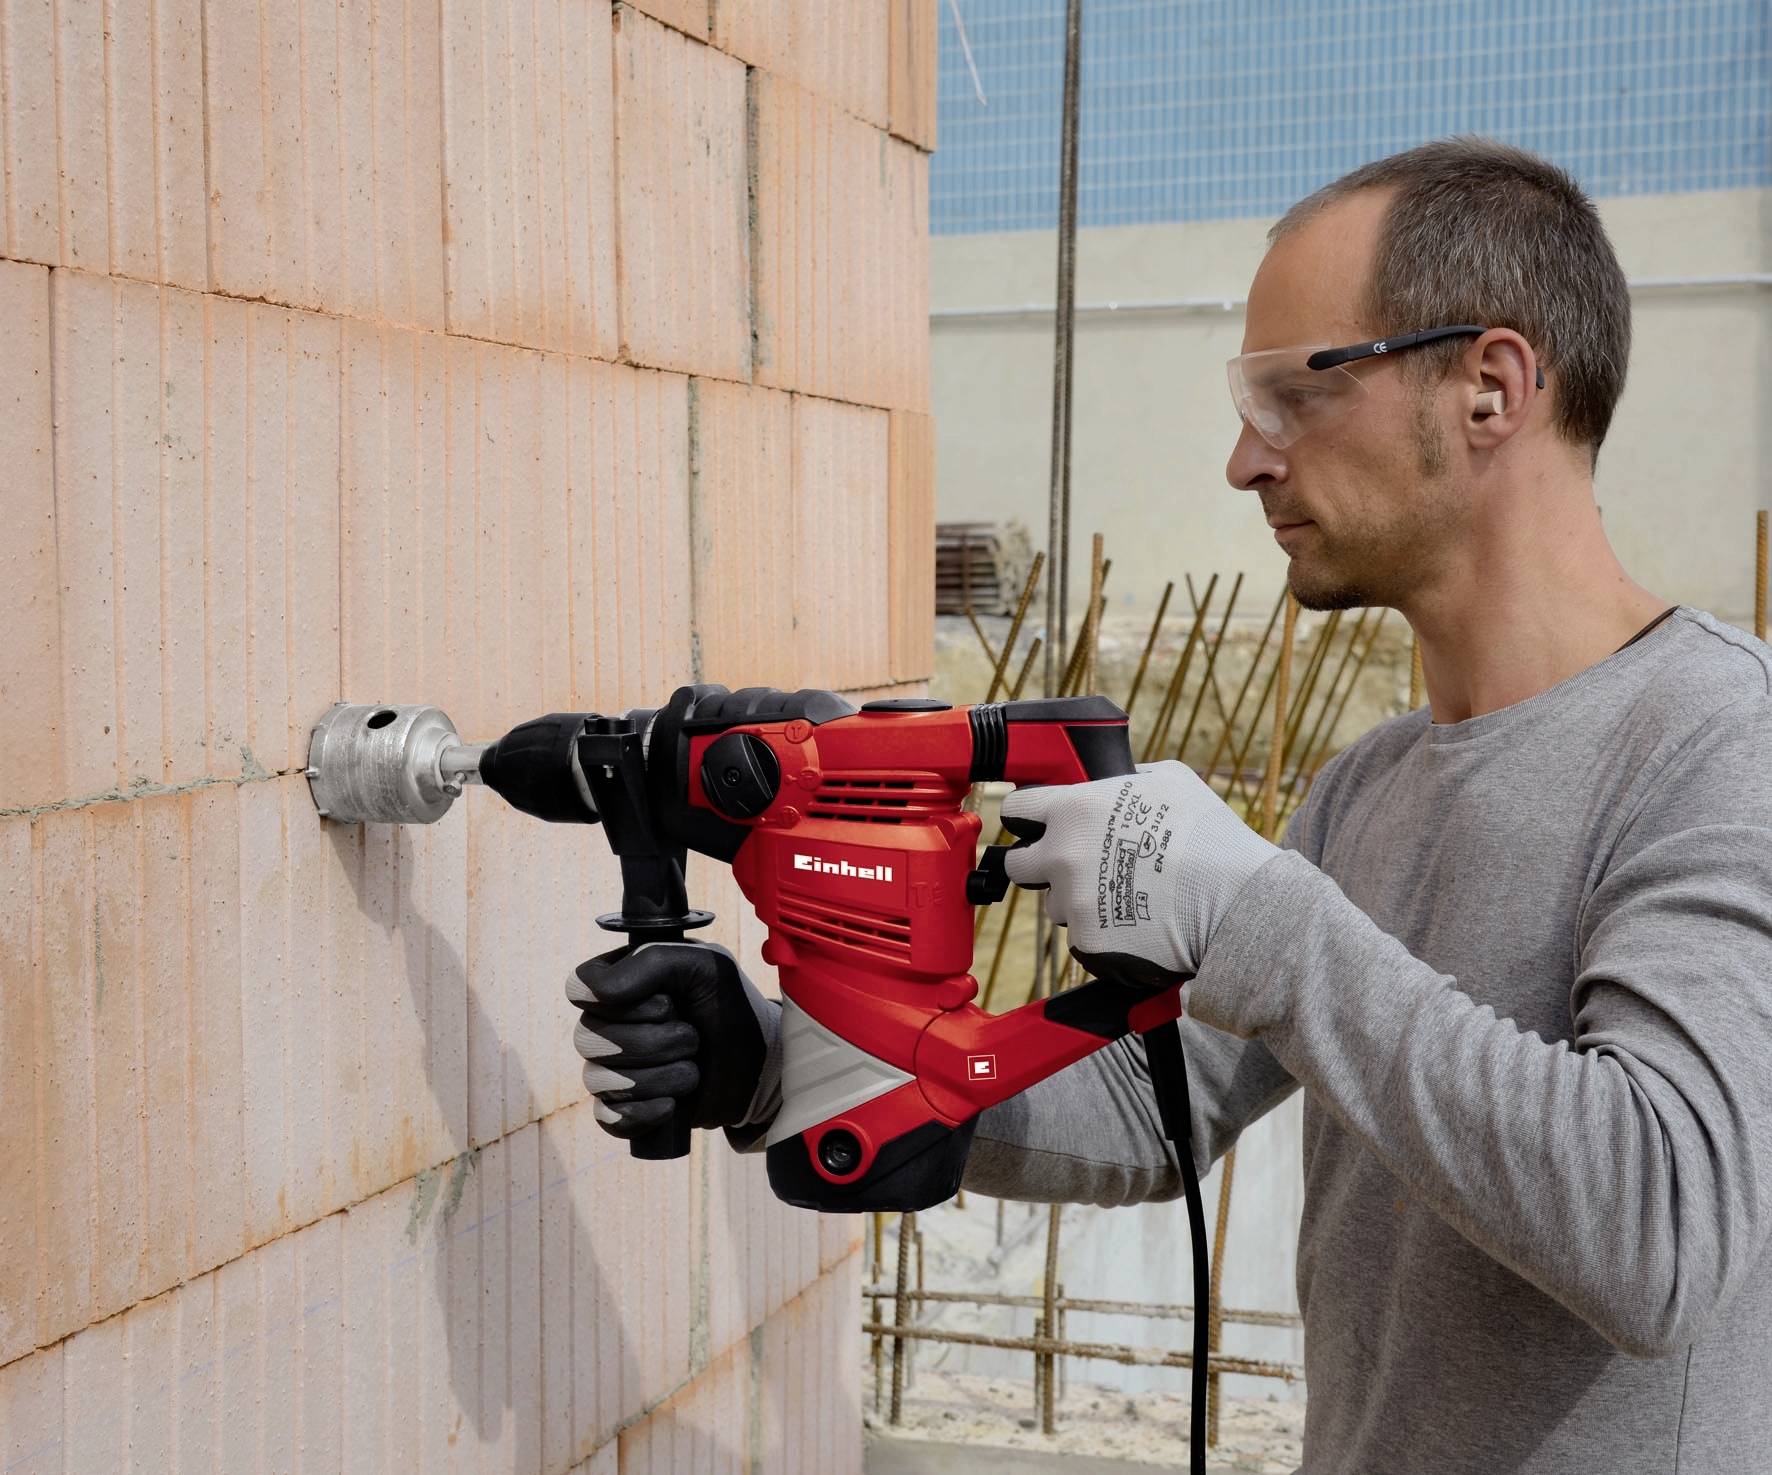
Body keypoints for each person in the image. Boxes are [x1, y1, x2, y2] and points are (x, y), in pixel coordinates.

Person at [565, 138, 1772, 1474]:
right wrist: (794, 1065)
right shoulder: (1367, 786)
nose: (1246, 459)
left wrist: (1259, 914)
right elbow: (1156, 1112)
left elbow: (1660, 1232)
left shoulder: (1721, 745)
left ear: (1489, 388)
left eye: (1293, 394)